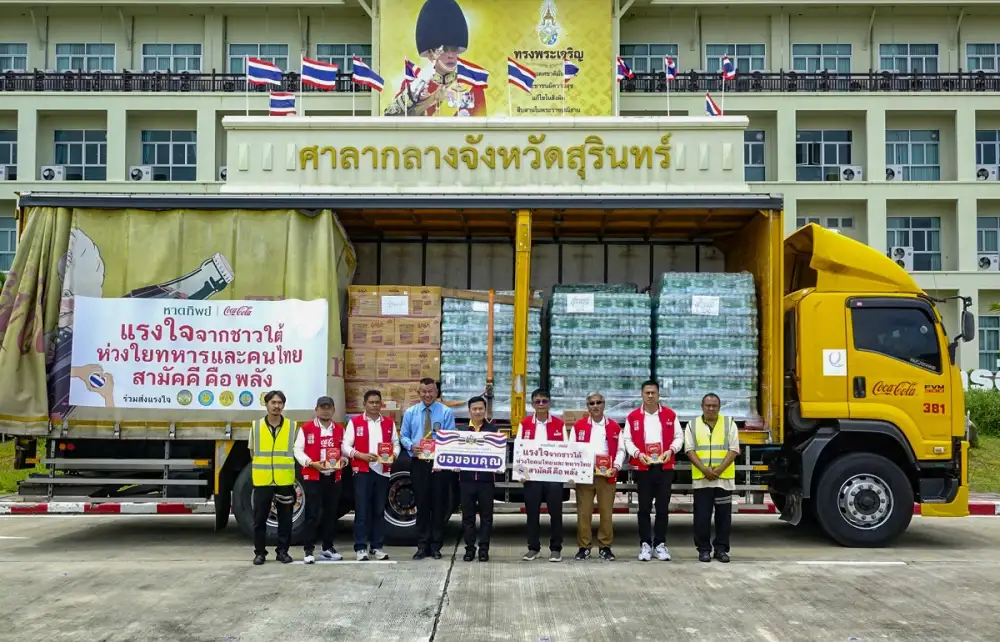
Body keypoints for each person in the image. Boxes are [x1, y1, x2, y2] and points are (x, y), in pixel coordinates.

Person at [383, 0, 488, 117]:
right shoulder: (415, 83)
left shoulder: (471, 84)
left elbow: (481, 122)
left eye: (454, 49)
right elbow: (391, 116)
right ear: (430, 54)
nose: (450, 55)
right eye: (444, 50)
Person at [622, 380, 682, 562]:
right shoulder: (633, 417)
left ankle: (660, 544)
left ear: (658, 394)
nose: (650, 396)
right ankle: (646, 544)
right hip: (643, 467)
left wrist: (671, 451)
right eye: (647, 393)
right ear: (642, 394)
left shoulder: (670, 415)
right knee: (644, 508)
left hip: (664, 467)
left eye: (653, 393)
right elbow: (627, 440)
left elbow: (679, 437)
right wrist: (638, 454)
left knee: (662, 508)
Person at [400, 377, 456, 560]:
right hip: (419, 463)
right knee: (422, 505)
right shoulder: (410, 413)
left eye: (430, 391)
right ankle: (422, 545)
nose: (427, 395)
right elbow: (403, 435)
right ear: (419, 392)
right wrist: (411, 445)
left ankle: (436, 546)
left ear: (436, 392)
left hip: (439, 463)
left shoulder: (446, 412)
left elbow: (451, 436)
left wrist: (440, 448)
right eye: (423, 391)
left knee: (439, 506)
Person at [343, 389, 400, 561]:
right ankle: (361, 547)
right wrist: (360, 455)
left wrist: (394, 455)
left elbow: (396, 443)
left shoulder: (388, 423)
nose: (374, 405)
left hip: (382, 471)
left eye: (377, 402)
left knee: (378, 511)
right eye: (371, 402)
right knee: (362, 511)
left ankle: (377, 547)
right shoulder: (355, 422)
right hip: (362, 471)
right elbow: (345, 446)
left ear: (381, 404)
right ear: (364, 404)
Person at [685, 392, 740, 563]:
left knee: (723, 517)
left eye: (714, 405)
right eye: (708, 405)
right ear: (702, 407)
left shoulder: (729, 423)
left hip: (723, 480)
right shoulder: (692, 425)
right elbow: (689, 450)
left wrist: (718, 470)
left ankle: (721, 549)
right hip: (702, 480)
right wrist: (704, 470)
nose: (711, 408)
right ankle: (703, 550)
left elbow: (734, 449)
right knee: (701, 517)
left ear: (719, 407)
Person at [570, 391, 625, 561]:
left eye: (598, 402)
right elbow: (571, 450)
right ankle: (584, 547)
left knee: (606, 513)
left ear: (604, 404)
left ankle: (605, 547)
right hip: (585, 475)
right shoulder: (578, 426)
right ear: (587, 407)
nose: (595, 406)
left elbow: (621, 450)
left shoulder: (614, 427)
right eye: (591, 403)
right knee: (584, 513)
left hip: (606, 476)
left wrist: (616, 467)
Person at [294, 395, 348, 564]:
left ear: (333, 410)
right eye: (322, 407)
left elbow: (345, 451)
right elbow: (297, 450)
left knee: (331, 514)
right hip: (313, 476)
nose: (325, 410)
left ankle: (328, 548)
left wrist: (344, 461)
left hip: (333, 477)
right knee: (313, 513)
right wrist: (311, 463)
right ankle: (308, 549)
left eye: (328, 407)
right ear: (316, 409)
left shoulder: (339, 429)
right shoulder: (306, 429)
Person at [516, 388, 566, 562]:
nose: (541, 404)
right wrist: (521, 473)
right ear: (532, 404)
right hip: (532, 477)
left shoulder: (559, 424)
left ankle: (556, 549)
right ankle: (533, 548)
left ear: (549, 403)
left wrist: (564, 473)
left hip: (553, 477)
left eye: (544, 401)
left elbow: (566, 450)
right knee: (532, 513)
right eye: (538, 401)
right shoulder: (525, 424)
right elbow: (519, 451)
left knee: (556, 513)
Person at [249, 390, 296, 565]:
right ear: (266, 404)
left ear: (284, 405)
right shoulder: (256, 426)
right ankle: (260, 553)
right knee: (259, 519)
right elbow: (252, 451)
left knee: (285, 519)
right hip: (263, 479)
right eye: (273, 402)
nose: (277, 406)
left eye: (280, 403)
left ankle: (282, 552)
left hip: (284, 479)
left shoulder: (292, 426)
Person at [458, 396, 497, 562]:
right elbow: (455, 452)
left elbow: (499, 453)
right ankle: (469, 549)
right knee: (468, 517)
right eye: (474, 409)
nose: (478, 411)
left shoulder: (493, 430)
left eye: (481, 408)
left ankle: (484, 549)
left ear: (485, 410)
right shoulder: (461, 431)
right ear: (469, 411)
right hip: (466, 480)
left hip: (486, 480)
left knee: (486, 517)